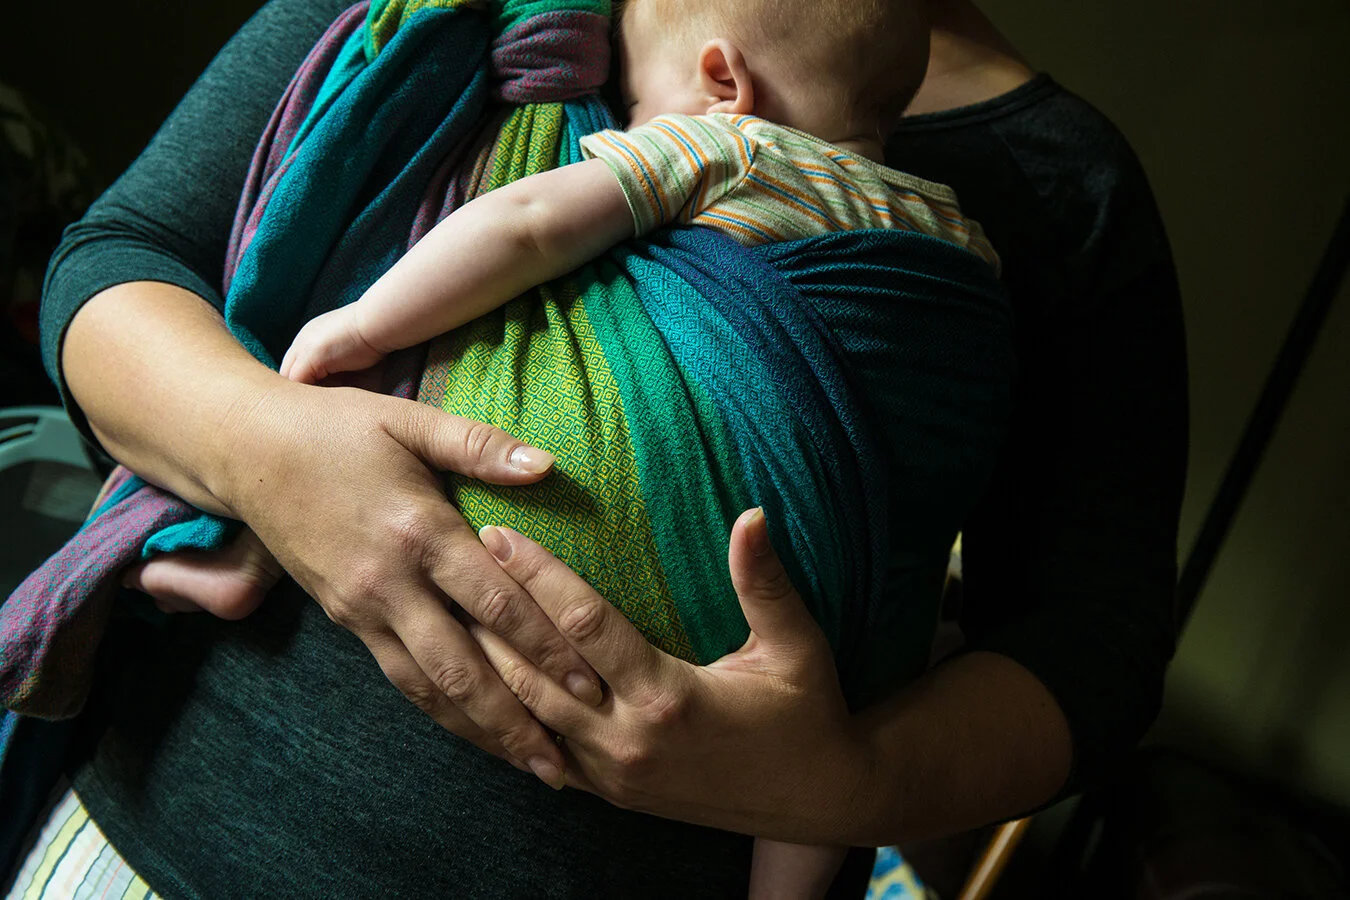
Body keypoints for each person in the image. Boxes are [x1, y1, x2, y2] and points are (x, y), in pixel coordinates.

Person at [13, 0, 1185, 897]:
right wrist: (266, 449)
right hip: (172, 839)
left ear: (720, 80)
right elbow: (122, 257)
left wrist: (843, 780)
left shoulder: (1058, 187)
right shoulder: (954, 232)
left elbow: (1093, 647)